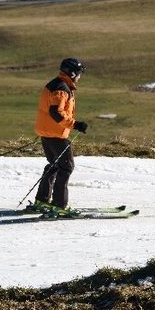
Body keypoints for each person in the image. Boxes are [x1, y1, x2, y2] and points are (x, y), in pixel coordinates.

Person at [27, 58, 89, 216]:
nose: (80, 77)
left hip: (47, 132)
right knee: (66, 167)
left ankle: (42, 200)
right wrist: (75, 124)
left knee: (54, 165)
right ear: (73, 73)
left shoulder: (56, 84)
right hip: (56, 135)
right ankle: (60, 205)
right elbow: (56, 112)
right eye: (79, 74)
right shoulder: (62, 89)